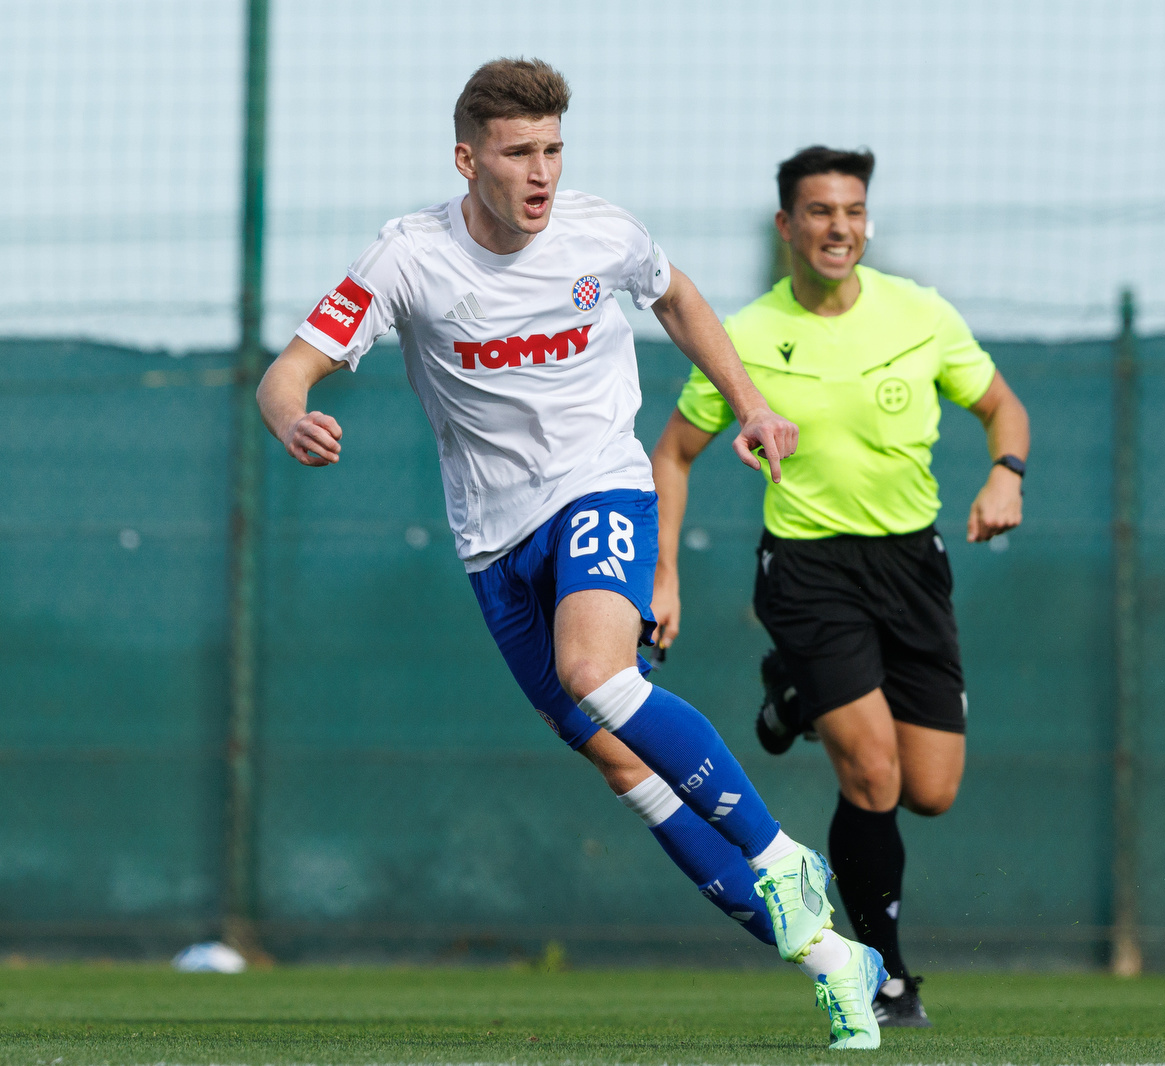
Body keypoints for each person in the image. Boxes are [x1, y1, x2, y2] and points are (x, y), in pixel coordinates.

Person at [255, 62, 885, 1050]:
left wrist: (751, 404)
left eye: (553, 148)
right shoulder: (407, 259)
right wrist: (292, 415)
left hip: (600, 483)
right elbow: (286, 372)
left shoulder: (602, 231)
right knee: (616, 759)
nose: (542, 171)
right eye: (519, 152)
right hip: (491, 541)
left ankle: (777, 851)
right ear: (468, 160)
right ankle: (836, 962)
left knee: (597, 671)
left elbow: (675, 299)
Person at [651, 146, 1030, 1027]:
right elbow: (672, 452)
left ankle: (793, 700)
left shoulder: (919, 314)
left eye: (853, 211)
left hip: (912, 567)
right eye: (820, 212)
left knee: (929, 789)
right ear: (788, 226)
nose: (840, 228)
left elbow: (1001, 404)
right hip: (809, 570)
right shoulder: (745, 335)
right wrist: (663, 573)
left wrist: (1006, 471)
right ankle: (886, 975)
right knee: (872, 774)